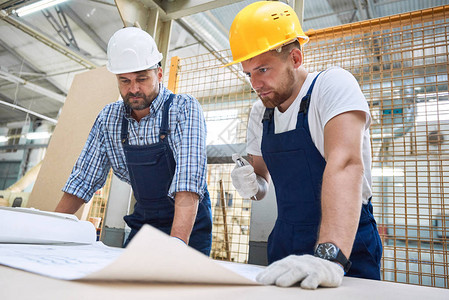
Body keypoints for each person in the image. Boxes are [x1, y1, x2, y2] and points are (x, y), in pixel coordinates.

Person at [227, 1, 382, 289]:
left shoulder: (331, 85)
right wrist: (251, 184)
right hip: (286, 241)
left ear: (295, 58)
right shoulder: (261, 112)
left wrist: (329, 256)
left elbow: (346, 163)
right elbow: (262, 182)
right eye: (249, 73)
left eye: (263, 69)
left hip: (345, 242)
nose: (255, 84)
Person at [55, 27, 212, 255]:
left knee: (180, 287)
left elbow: (188, 182)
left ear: (158, 74)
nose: (134, 89)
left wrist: (177, 244)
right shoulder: (109, 118)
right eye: (125, 81)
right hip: (146, 223)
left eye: (141, 78)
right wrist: (50, 229)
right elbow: (82, 181)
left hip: (189, 224)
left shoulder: (184, 109)